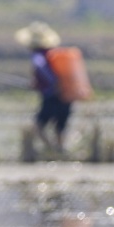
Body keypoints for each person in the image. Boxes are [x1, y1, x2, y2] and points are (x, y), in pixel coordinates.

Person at [16, 21, 71, 155]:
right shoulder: (54, 53)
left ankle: (52, 150)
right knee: (60, 128)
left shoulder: (38, 56)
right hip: (66, 94)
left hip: (52, 96)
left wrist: (47, 85)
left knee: (38, 127)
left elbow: (45, 72)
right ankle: (61, 151)